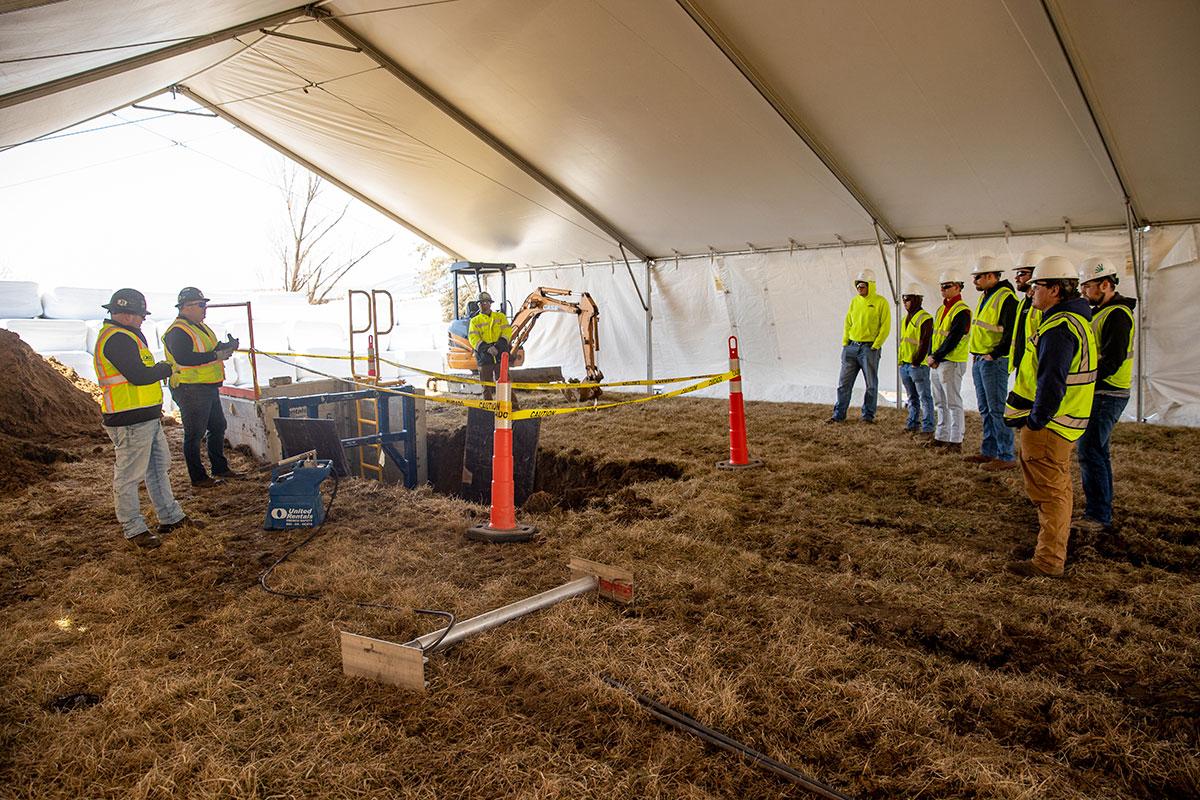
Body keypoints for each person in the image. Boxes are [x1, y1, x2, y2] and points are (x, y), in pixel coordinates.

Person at [1003, 256, 1097, 577]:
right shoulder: (1078, 321)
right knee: (1059, 490)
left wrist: (1035, 421)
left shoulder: (1058, 328)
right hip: (1068, 421)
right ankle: (1053, 551)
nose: (1031, 292)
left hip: (1051, 425)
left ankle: (1047, 561)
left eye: (1036, 286)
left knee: (1050, 496)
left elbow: (1051, 383)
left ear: (1055, 289)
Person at [92, 288, 189, 549]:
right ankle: (133, 527)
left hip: (145, 416)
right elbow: (139, 375)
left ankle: (170, 516)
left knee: (158, 468)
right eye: (140, 315)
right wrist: (165, 369)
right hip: (128, 419)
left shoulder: (128, 336)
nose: (143, 319)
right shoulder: (117, 339)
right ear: (126, 314)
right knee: (129, 475)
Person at [1076, 257, 1137, 532]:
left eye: (1087, 285)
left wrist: (1085, 380)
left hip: (1107, 392)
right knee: (1098, 452)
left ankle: (1098, 516)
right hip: (1102, 390)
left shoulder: (1117, 315)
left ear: (1105, 284)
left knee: (1089, 451)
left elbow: (1111, 360)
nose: (1083, 291)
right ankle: (1101, 511)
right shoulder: (1103, 312)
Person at [162, 287, 240, 488]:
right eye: (201, 305)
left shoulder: (199, 327)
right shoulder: (177, 331)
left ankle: (220, 468)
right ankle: (198, 478)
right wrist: (216, 356)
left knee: (217, 426)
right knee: (194, 434)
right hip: (190, 388)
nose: (205, 309)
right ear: (186, 307)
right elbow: (184, 358)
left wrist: (225, 347)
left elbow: (207, 350)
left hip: (206, 387)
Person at [965, 256, 1018, 470]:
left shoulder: (1006, 297)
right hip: (981, 359)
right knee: (985, 409)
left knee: (996, 409)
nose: (974, 281)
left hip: (992, 361)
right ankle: (989, 451)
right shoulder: (988, 295)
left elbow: (1010, 331)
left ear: (990, 276)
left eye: (978, 277)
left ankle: (1005, 455)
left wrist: (994, 354)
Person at [827, 269, 890, 425]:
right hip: (851, 348)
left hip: (869, 349)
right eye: (858, 286)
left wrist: (876, 345)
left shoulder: (881, 302)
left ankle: (868, 416)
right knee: (844, 384)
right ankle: (838, 415)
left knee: (871, 385)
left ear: (871, 285)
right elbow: (848, 322)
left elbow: (885, 326)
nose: (860, 289)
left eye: (863, 286)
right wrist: (845, 343)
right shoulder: (854, 302)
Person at [925, 270, 970, 451]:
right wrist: (931, 356)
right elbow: (934, 336)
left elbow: (954, 338)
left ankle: (956, 440)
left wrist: (935, 356)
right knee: (940, 402)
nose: (943, 290)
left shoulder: (962, 311)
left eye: (947, 286)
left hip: (951, 361)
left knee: (953, 403)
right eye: (941, 286)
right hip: (938, 362)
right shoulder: (941, 309)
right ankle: (941, 435)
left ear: (958, 287)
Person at [898, 283, 934, 437]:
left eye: (908, 299)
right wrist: (901, 362)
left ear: (917, 300)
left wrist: (915, 362)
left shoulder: (925, 318)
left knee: (924, 397)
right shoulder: (905, 319)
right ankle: (912, 423)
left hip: (918, 366)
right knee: (912, 397)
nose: (905, 302)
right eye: (904, 299)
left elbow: (925, 343)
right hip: (906, 364)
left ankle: (927, 427)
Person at [468, 291, 512, 401]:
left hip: (500, 355)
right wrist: (487, 348)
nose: (483, 304)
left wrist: (498, 347)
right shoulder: (474, 321)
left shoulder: (500, 317)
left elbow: (507, 332)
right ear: (478, 305)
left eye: (485, 302)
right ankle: (489, 410)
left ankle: (512, 406)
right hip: (484, 357)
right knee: (486, 386)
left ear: (490, 303)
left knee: (505, 383)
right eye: (481, 303)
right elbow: (474, 338)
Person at [1008, 250, 1044, 377]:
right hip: (1022, 365)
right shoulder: (1022, 303)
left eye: (1021, 273)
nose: (1016, 278)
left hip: (1035, 368)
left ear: (1035, 274)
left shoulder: (1043, 306)